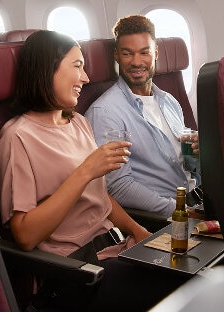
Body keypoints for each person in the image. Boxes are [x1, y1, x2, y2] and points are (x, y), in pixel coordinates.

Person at [0, 30, 186, 311]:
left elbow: (100, 198)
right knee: (179, 285)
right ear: (48, 71)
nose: (85, 78)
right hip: (75, 269)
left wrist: (138, 230)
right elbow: (25, 235)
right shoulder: (17, 137)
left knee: (193, 266)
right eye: (77, 66)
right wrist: (85, 172)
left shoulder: (79, 123)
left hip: (116, 246)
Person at [85, 15, 200, 217]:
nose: (137, 62)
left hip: (196, 198)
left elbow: (187, 165)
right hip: (165, 215)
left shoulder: (170, 101)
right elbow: (119, 187)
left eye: (144, 52)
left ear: (155, 53)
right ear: (116, 56)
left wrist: (200, 155)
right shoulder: (106, 113)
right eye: (127, 54)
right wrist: (182, 211)